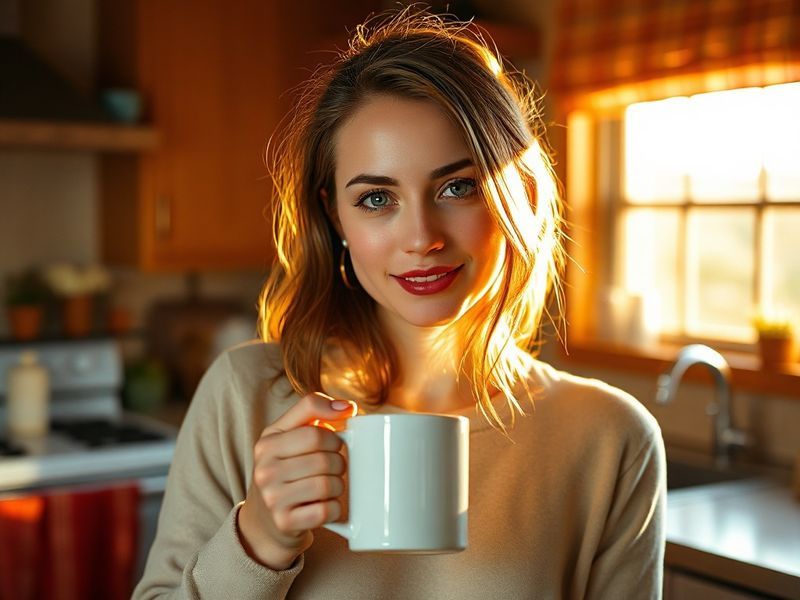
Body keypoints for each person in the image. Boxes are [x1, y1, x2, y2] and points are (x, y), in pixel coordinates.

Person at [133, 9, 665, 600]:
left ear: (525, 197)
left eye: (458, 187)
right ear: (335, 215)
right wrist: (258, 538)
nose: (421, 237)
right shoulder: (245, 395)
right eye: (377, 198)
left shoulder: (610, 437)